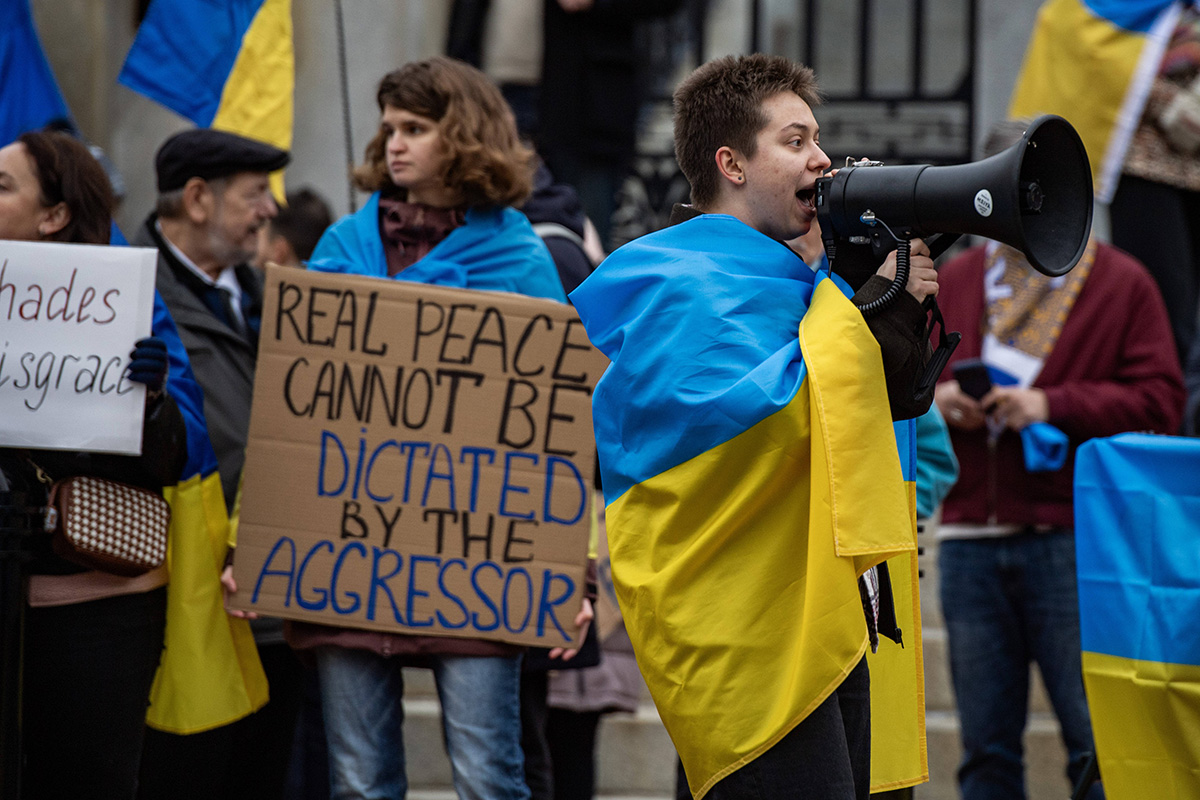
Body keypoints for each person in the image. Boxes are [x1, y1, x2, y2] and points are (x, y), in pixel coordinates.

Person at [569, 53, 939, 800]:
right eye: (796, 141)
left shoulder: (798, 286)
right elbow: (772, 424)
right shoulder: (682, 283)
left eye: (818, 139)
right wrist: (864, 308)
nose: (823, 158)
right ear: (731, 162)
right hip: (748, 634)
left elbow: (860, 416)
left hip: (829, 614)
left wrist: (890, 307)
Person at [271, 56, 590, 800]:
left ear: (466, 135)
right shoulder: (342, 252)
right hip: (348, 551)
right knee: (357, 781)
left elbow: (553, 429)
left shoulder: (519, 258)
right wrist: (253, 536)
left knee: (488, 777)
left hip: (476, 561)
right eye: (389, 128)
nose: (395, 144)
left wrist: (568, 563)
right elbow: (292, 414)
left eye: (416, 127)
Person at [933, 120, 1185, 800]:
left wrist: (1053, 406)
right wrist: (941, 403)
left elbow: (1162, 402)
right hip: (969, 541)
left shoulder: (1123, 281)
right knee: (984, 754)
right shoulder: (953, 278)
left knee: (1094, 746)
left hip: (1076, 544)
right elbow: (897, 389)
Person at [0, 129, 186, 799]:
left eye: (1, 186)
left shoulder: (120, 305)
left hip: (96, 613)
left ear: (53, 216)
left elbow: (172, 461)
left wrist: (152, 399)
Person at [132, 128, 302, 800]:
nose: (269, 211)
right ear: (198, 199)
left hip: (277, 603)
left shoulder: (270, 296)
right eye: (256, 194)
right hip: (184, 601)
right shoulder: (128, 294)